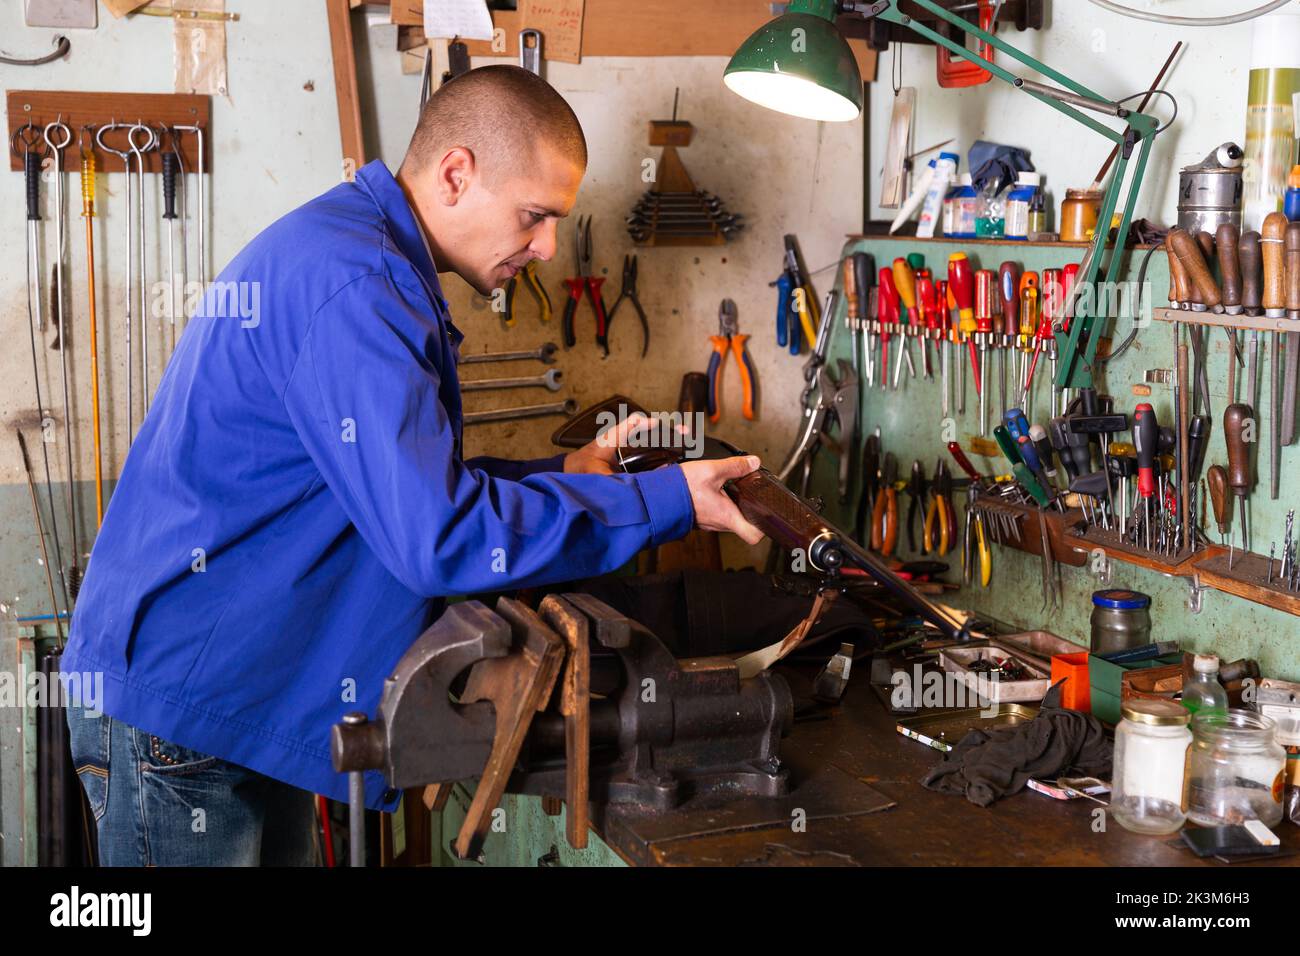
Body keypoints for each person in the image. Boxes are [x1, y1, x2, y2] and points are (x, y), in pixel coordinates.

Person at [63, 65, 764, 866]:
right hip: (187, 712)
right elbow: (437, 538)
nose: (547, 249)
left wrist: (564, 474)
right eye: (535, 217)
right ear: (457, 173)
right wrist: (661, 501)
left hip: (229, 693)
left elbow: (401, 487)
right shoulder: (357, 284)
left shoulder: (362, 255)